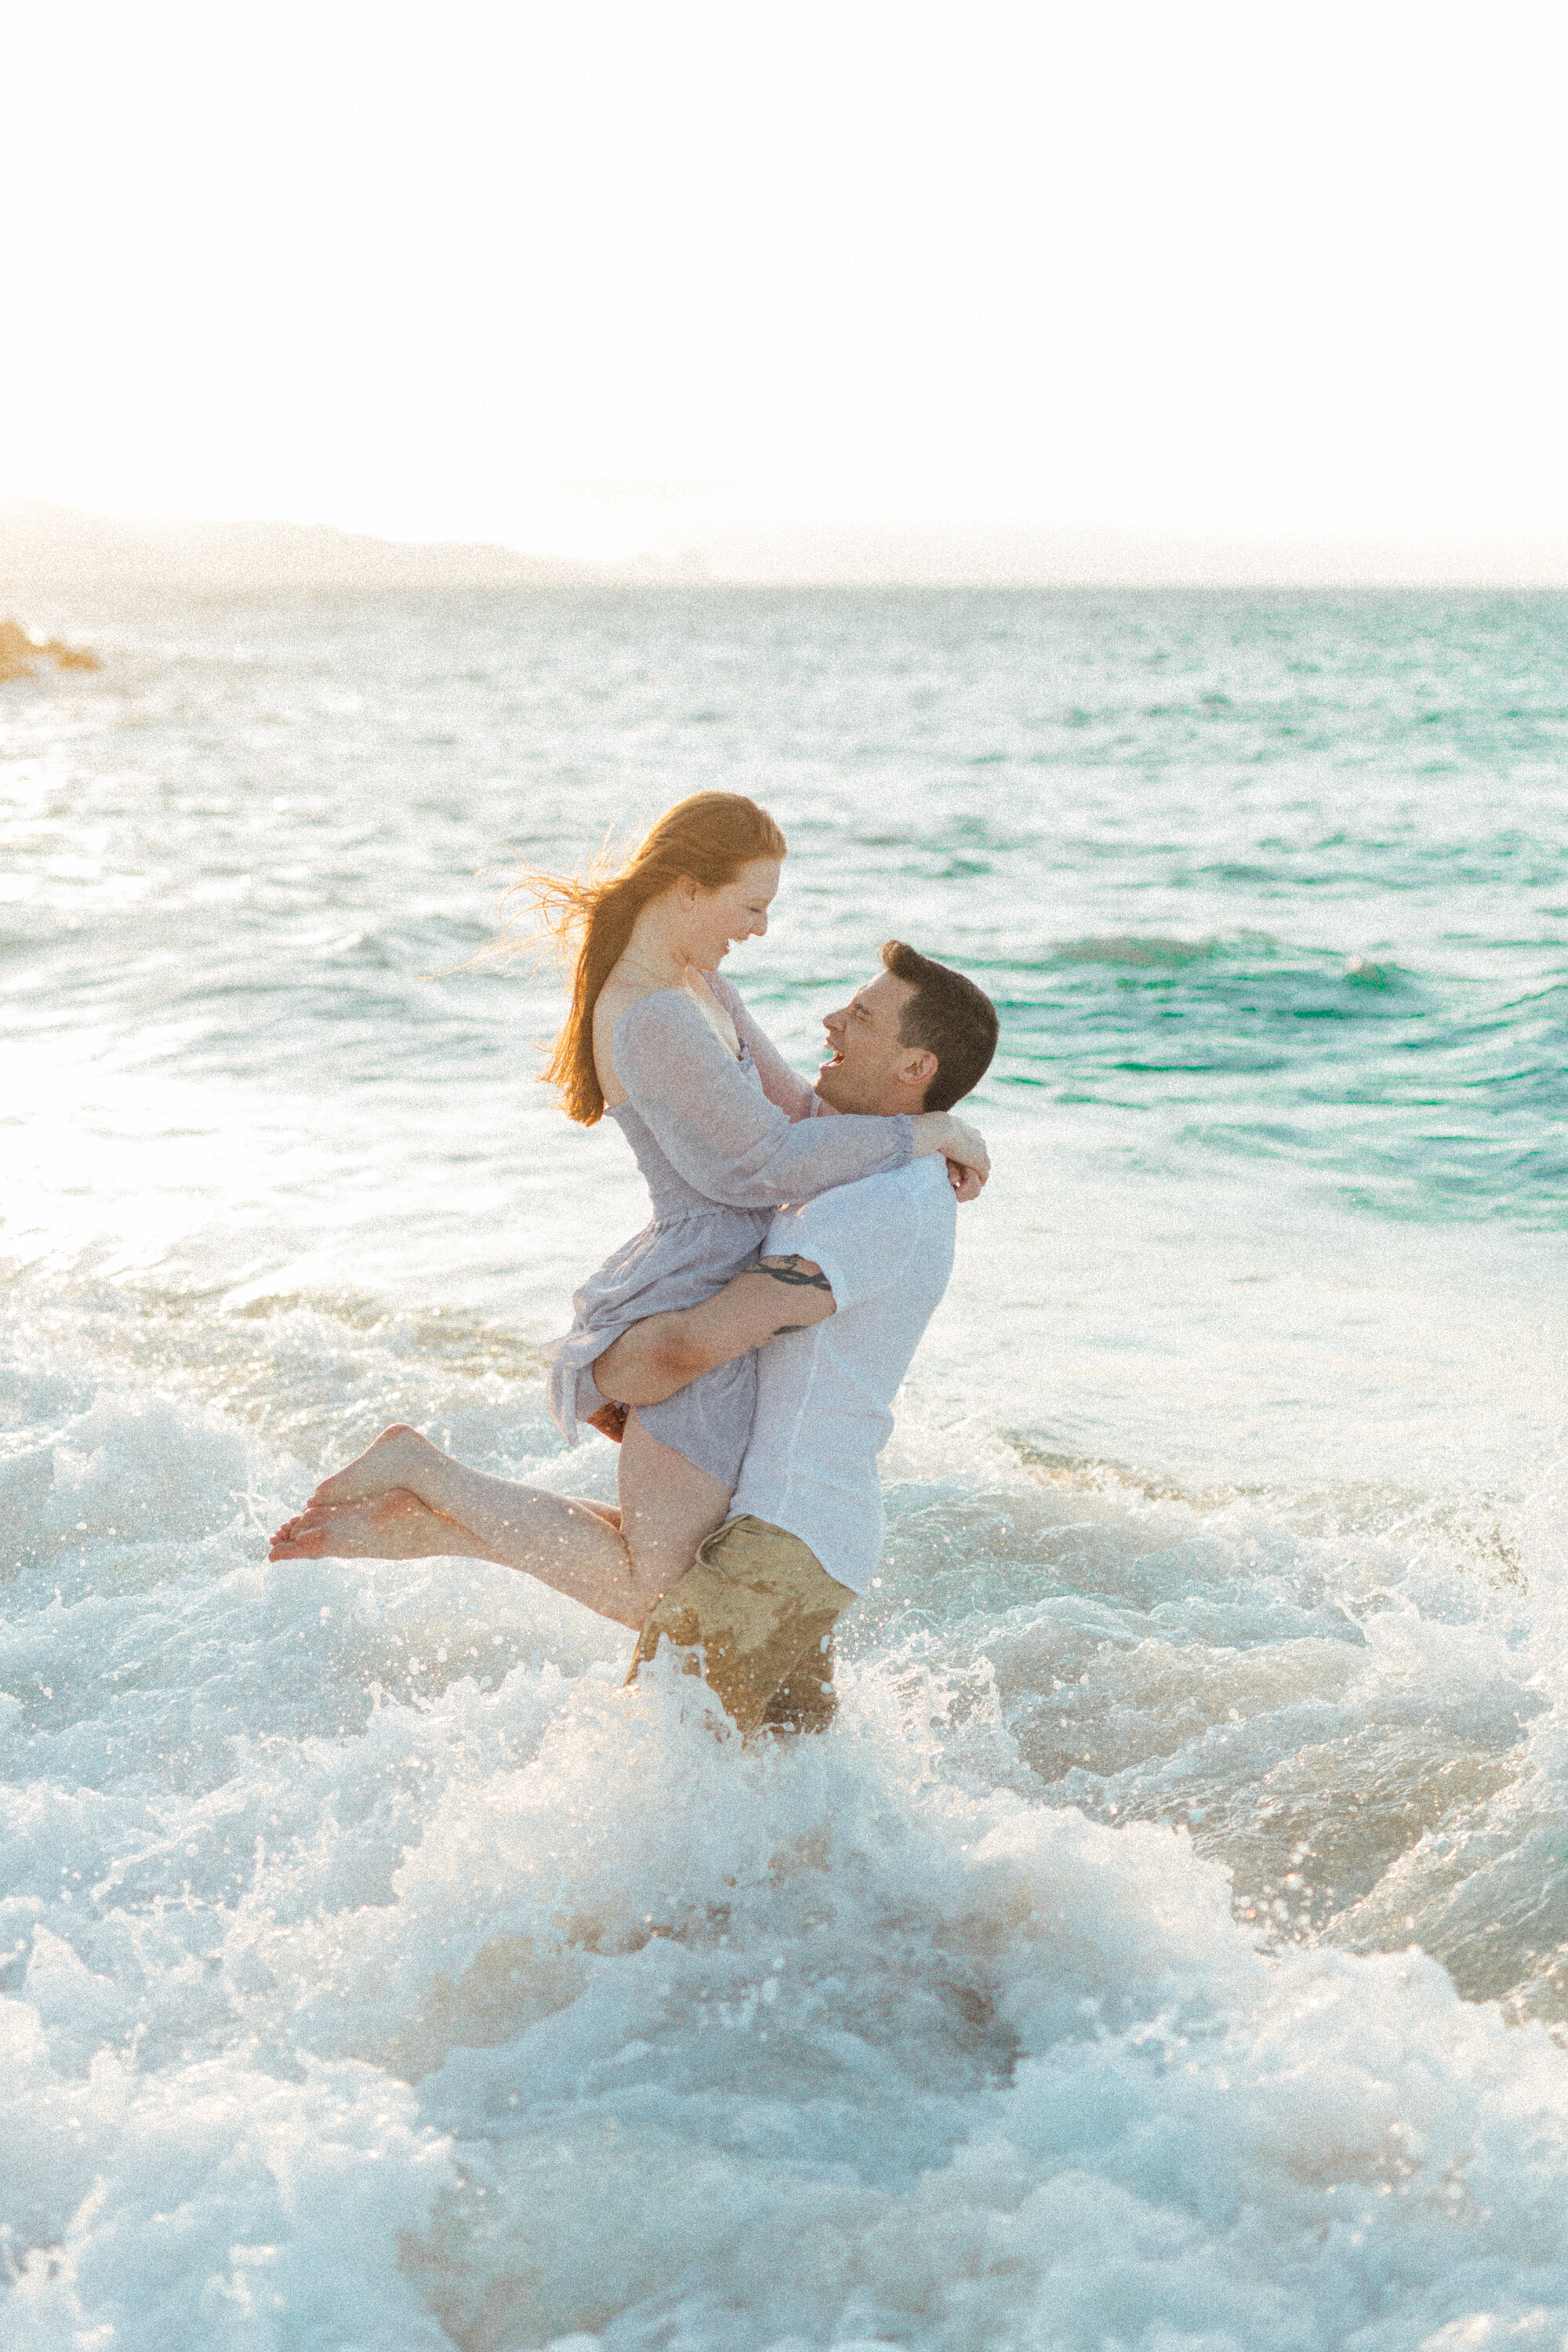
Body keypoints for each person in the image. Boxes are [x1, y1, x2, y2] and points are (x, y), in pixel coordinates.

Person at [271, 793, 986, 1612]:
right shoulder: (651, 1018)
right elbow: (764, 1161)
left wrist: (923, 1128)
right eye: (750, 906)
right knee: (657, 1588)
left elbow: (800, 1114)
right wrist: (921, 1139)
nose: (758, 930)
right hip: (696, 1285)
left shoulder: (699, 988)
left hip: (722, 1278)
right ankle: (428, 1478)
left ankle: (425, 1523)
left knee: (664, 1569)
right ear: (687, 888)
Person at [269, 942, 1000, 1737]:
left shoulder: (884, 1201)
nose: (831, 1020)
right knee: (777, 1798)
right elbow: (768, 1094)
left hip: (783, 1542)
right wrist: (690, 964)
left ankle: (434, 1484)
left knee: (668, 1758)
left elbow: (687, 1348)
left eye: (860, 1016)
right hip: (800, 1540)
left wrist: (604, 1370)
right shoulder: (863, 1171)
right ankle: (436, 1518)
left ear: (912, 1066)